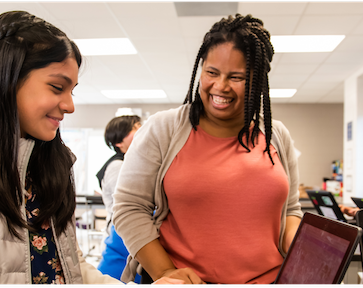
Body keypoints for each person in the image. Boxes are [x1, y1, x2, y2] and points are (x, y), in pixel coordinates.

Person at [0, 11, 182, 286]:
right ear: (6, 79)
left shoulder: (47, 163)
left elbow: (69, 268)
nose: (69, 105)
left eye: (71, 91)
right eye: (57, 87)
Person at [113, 13, 303, 286]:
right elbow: (129, 208)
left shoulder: (275, 134)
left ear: (258, 80)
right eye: (212, 72)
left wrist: (304, 255)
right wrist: (165, 272)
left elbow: (290, 210)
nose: (220, 86)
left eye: (236, 77)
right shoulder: (163, 129)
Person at [95, 115, 142, 283]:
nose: (141, 130)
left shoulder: (133, 163)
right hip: (120, 238)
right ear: (118, 142)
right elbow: (129, 206)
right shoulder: (117, 166)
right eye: (135, 127)